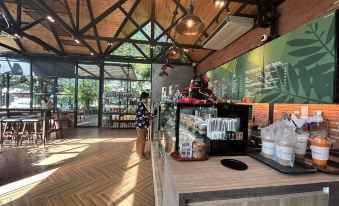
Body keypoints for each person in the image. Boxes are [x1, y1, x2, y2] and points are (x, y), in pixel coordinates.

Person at [135, 92, 153, 158]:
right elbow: (144, 115)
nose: (147, 99)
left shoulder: (140, 104)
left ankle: (138, 152)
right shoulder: (141, 105)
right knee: (142, 140)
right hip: (142, 125)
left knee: (139, 139)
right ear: (144, 98)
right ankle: (141, 154)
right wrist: (151, 117)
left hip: (139, 125)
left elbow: (143, 113)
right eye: (147, 98)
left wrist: (149, 113)